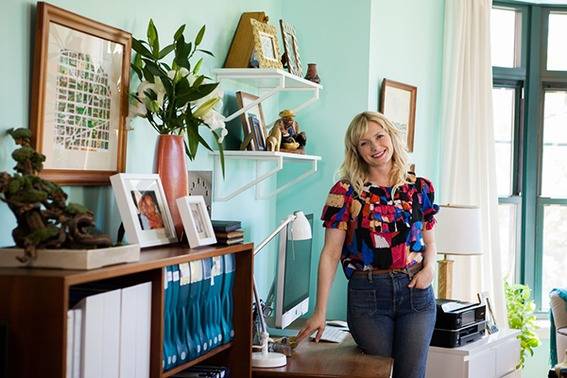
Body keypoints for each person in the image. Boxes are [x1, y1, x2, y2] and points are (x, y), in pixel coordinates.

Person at [296, 111, 439, 378]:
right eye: (364, 143)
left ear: (392, 138)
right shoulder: (345, 192)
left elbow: (429, 243)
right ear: (356, 151)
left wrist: (429, 270)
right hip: (368, 297)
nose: (375, 147)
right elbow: (330, 254)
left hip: (416, 295)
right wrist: (320, 311)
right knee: (377, 374)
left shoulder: (420, 188)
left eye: (379, 136)